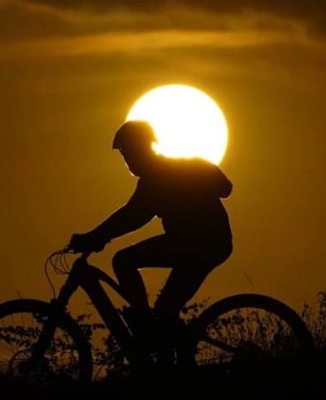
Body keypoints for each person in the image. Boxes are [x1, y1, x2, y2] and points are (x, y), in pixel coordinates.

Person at [69, 120, 234, 364]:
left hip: (201, 243)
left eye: (130, 152)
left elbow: (224, 187)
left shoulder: (167, 172)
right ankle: (170, 357)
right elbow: (132, 215)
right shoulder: (155, 179)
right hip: (201, 244)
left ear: (146, 148)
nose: (128, 160)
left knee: (123, 260)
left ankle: (144, 325)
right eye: (124, 154)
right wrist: (98, 236)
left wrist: (96, 237)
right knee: (166, 313)